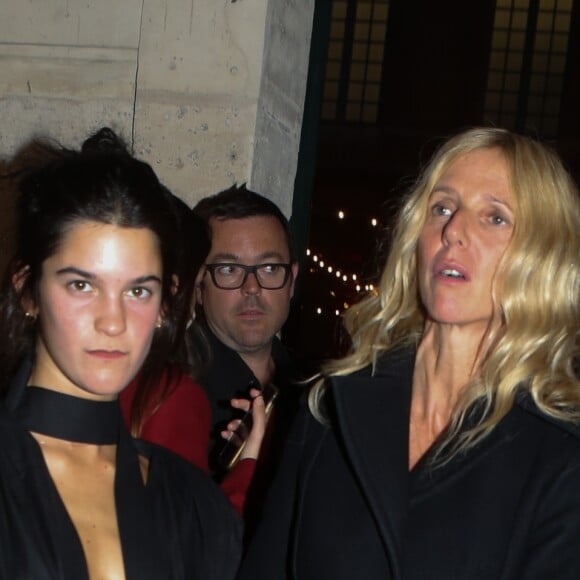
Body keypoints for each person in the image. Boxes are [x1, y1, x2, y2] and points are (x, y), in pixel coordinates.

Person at [238, 127, 580, 579]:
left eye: (494, 217)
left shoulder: (560, 457)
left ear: (543, 256)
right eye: (441, 207)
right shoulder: (332, 408)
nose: (454, 229)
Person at [0, 128, 241, 579]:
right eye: (81, 285)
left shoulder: (194, 509)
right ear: (27, 290)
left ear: (166, 302)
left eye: (137, 290)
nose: (113, 321)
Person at [190, 185, 303, 477]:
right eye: (229, 269)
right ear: (199, 285)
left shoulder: (312, 392)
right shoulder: (171, 395)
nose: (251, 288)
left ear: (291, 280)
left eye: (268, 268)